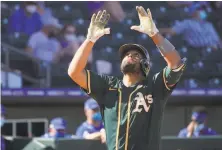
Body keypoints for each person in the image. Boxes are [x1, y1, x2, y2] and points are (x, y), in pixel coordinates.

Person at [68, 6, 186, 150]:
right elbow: (74, 72)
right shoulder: (108, 85)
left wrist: (154, 34)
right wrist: (89, 40)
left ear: (145, 65)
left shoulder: (155, 85)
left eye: (136, 55)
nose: (129, 55)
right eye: (126, 54)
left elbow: (176, 64)